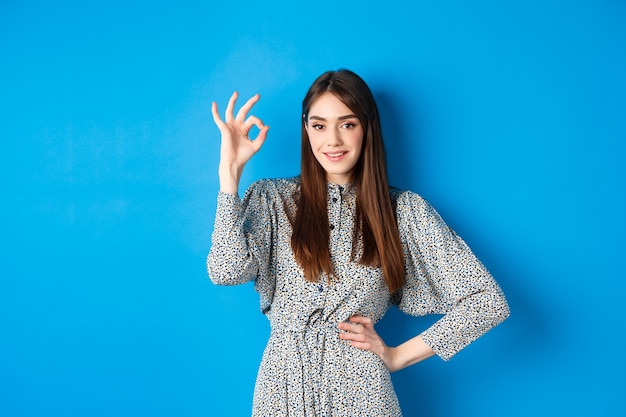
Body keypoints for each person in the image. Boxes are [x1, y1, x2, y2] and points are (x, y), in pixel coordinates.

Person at [207, 69, 509, 416]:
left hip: (363, 391)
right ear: (306, 129)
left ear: (367, 128)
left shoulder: (403, 212)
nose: (332, 140)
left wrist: (397, 356)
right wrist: (229, 174)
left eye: (347, 124)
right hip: (283, 387)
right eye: (319, 125)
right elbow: (226, 270)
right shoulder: (272, 198)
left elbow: (487, 302)